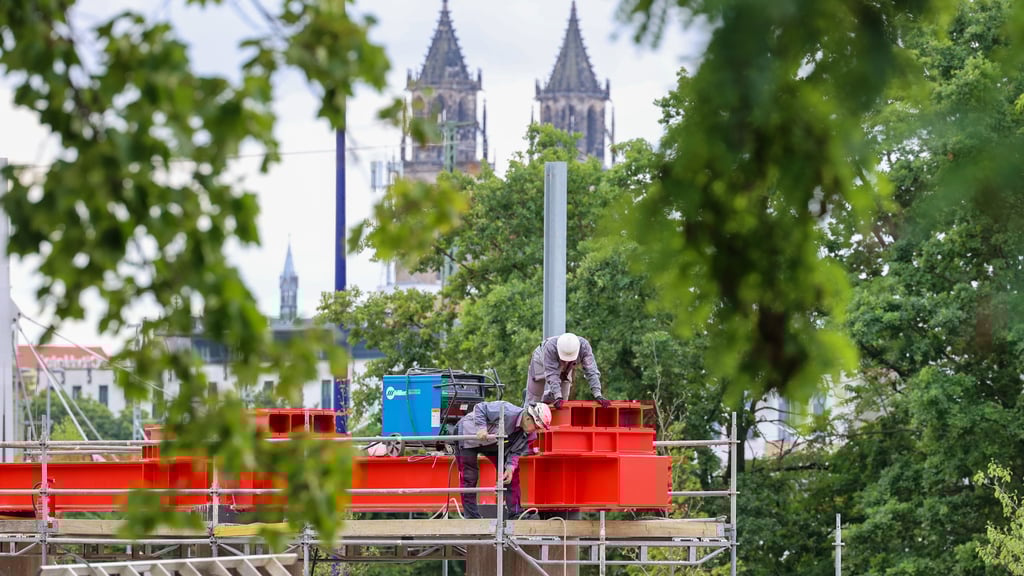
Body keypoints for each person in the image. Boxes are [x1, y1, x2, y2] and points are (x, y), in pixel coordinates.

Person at [454, 400, 551, 519]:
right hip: (469, 435)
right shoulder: (506, 410)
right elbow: (480, 407)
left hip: (494, 443)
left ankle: (515, 514)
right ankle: (471, 517)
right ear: (528, 418)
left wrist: (510, 468)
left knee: (512, 475)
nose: (535, 431)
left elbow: (515, 451)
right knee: (469, 477)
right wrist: (481, 428)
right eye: (536, 427)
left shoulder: (530, 435)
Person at [525, 332, 611, 409]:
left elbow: (591, 371)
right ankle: (524, 421)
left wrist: (598, 394)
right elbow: (552, 375)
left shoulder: (584, 347)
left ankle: (547, 402)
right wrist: (558, 396)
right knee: (534, 401)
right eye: (564, 358)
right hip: (540, 361)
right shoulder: (550, 348)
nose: (566, 360)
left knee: (562, 402)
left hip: (567, 367)